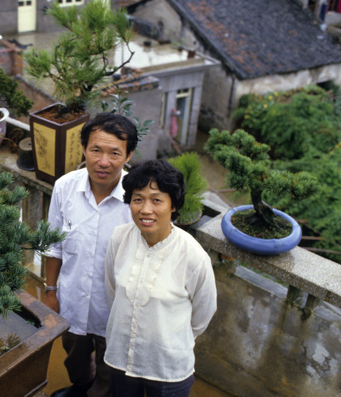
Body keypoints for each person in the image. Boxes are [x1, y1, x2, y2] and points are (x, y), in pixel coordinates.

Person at [104, 160, 217, 397]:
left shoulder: (193, 257)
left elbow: (203, 314)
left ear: (173, 205)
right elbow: (112, 291)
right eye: (138, 199)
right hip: (121, 356)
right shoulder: (119, 238)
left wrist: (173, 337)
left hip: (167, 366)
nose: (146, 209)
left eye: (157, 200)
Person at [45, 112, 139, 397]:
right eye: (96, 150)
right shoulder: (65, 187)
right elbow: (53, 244)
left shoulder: (137, 200)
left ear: (128, 155)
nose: (103, 161)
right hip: (72, 300)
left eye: (114, 153)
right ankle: (81, 387)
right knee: (74, 359)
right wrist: (50, 290)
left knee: (111, 370)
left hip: (115, 310)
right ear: (83, 149)